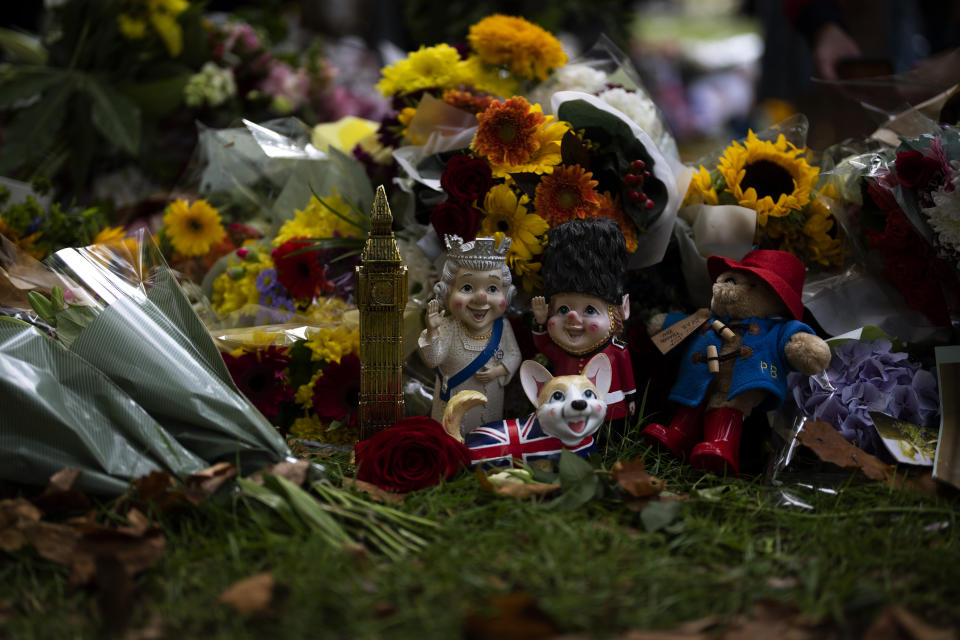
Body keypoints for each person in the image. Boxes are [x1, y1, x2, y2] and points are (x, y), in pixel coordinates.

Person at [531, 218, 636, 424]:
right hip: (567, 412)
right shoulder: (560, 351)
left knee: (609, 438)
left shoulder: (617, 351)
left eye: (589, 309)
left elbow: (627, 377)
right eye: (563, 309)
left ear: (622, 310)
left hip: (611, 409)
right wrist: (540, 322)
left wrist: (631, 398)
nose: (572, 317)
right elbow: (542, 344)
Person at [418, 235, 521, 435]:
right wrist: (432, 331)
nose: (481, 297)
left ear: (506, 295)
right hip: (452, 407)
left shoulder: (503, 327)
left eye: (492, 288)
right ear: (447, 294)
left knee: (487, 435)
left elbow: (514, 355)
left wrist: (498, 372)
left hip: (490, 401)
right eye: (467, 287)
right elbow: (433, 359)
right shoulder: (447, 327)